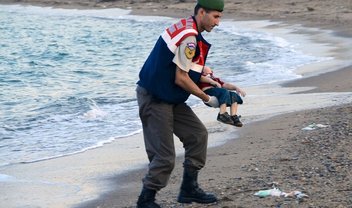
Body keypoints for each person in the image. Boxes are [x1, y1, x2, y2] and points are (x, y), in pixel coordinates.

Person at [135, 0, 224, 207]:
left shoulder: (187, 26)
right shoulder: (190, 39)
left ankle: (188, 189)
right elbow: (181, 78)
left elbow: (186, 68)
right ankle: (145, 200)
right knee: (164, 156)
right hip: (155, 98)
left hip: (169, 96)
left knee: (198, 135)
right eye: (216, 16)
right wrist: (207, 99)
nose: (218, 23)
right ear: (202, 12)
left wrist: (213, 81)